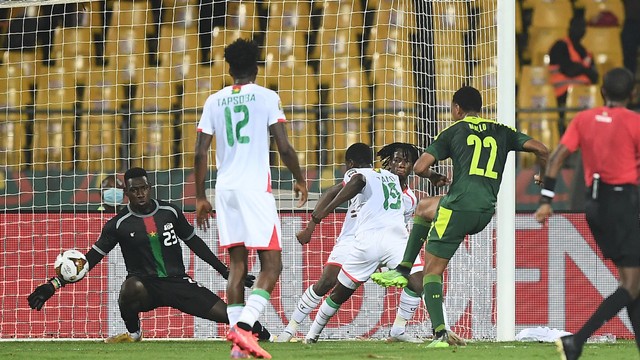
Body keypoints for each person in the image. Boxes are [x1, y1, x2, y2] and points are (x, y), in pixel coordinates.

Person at [371, 86, 550, 347]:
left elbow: (420, 166)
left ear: (456, 108)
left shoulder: (453, 131)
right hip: (485, 211)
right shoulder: (502, 130)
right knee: (424, 208)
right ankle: (402, 268)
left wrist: (434, 176)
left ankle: (441, 333)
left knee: (432, 271)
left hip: (457, 209)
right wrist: (542, 175)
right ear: (481, 108)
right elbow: (542, 149)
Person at [27, 167, 270, 344]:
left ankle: (268, 337)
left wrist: (225, 271)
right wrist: (53, 284)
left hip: (178, 283)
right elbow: (90, 260)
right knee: (128, 289)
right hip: (145, 287)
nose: (140, 193)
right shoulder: (118, 224)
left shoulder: (169, 212)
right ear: (127, 193)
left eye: (144, 188)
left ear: (149, 187)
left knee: (231, 317)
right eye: (135, 190)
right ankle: (134, 335)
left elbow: (194, 242)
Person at [275, 142, 463, 344]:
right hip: (353, 238)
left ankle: (405, 329)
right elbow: (332, 192)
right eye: (397, 159)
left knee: (419, 280)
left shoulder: (410, 198)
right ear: (389, 162)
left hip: (388, 241)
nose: (401, 164)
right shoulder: (370, 174)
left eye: (406, 161)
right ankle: (291, 329)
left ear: (412, 166)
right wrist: (313, 223)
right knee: (328, 282)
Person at [193, 38, 308, 359]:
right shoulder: (268, 97)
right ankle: (243, 329)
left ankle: (237, 350)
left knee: (238, 267)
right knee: (272, 265)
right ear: (257, 67)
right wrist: (299, 178)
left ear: (229, 68)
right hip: (255, 189)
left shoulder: (213, 101)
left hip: (225, 190)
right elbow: (283, 146)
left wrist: (201, 196)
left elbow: (200, 152)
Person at [534, 68, 640, 360]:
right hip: (621, 204)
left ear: (602, 91)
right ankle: (577, 341)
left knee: (632, 284)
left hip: (595, 206)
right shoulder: (635, 123)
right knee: (632, 284)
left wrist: (546, 200)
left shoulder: (583, 119)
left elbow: (556, 158)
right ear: (632, 94)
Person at [548, 16, 599, 135]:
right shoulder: (559, 46)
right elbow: (569, 70)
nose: (580, 30)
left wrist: (580, 68)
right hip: (562, 95)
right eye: (577, 27)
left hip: (585, 98)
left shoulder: (585, 51)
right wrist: (584, 69)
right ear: (570, 28)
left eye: (583, 28)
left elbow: (595, 76)